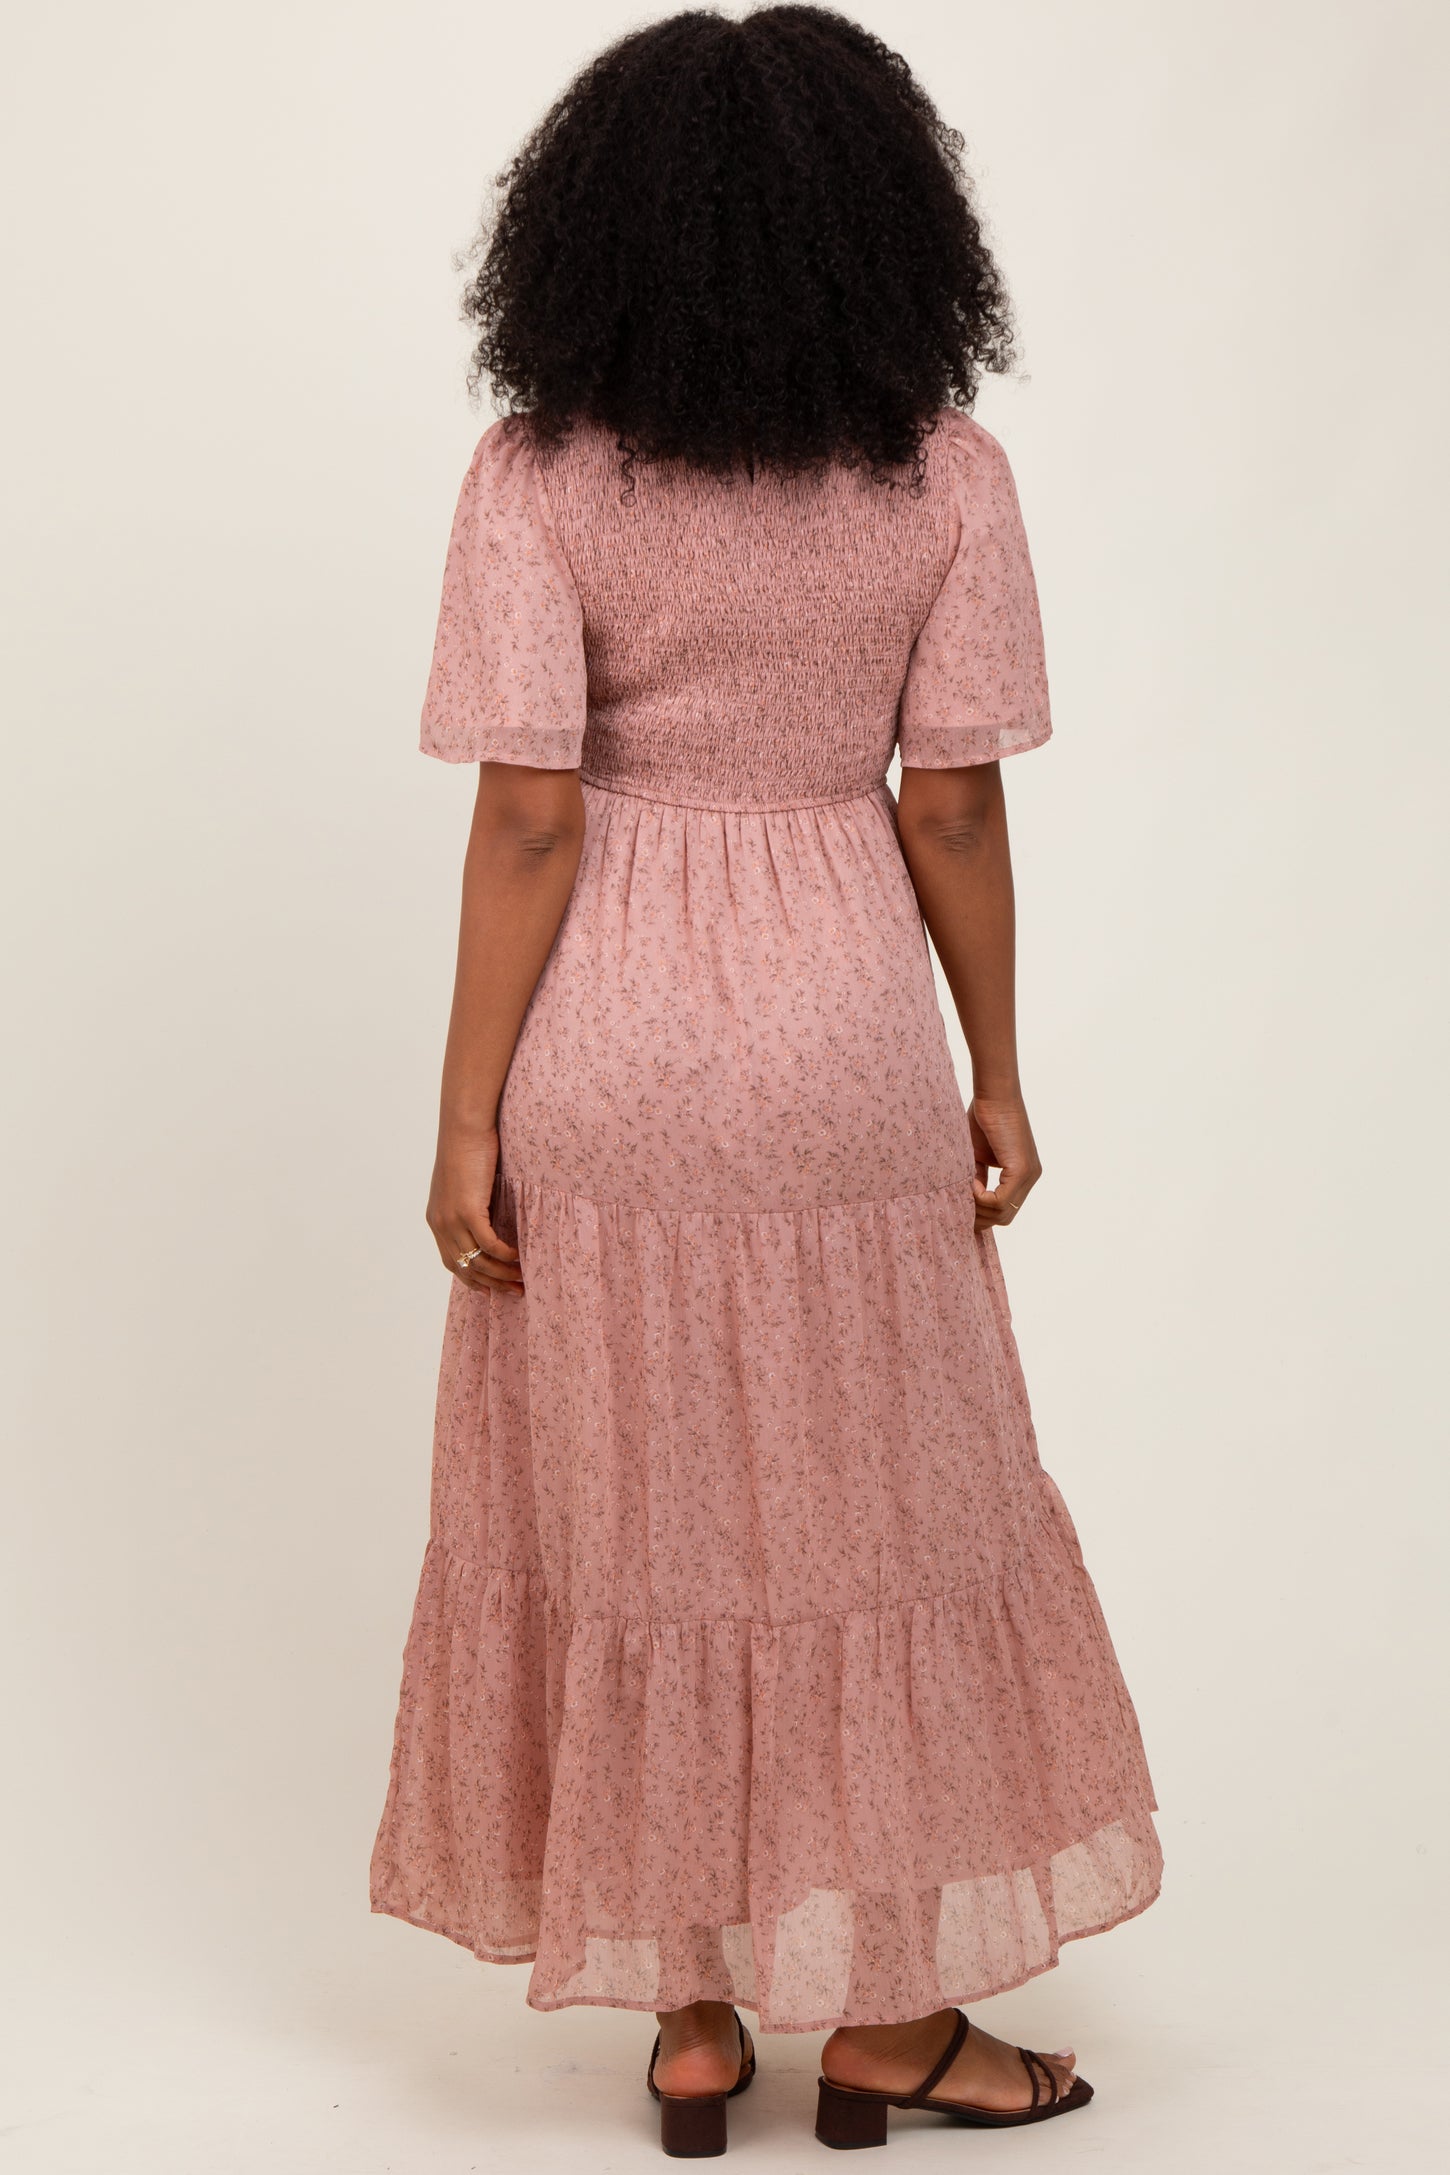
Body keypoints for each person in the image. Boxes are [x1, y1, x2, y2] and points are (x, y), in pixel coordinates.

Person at [371, 5, 1162, 2155]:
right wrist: (995, 1067)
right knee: (874, 1505)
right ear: (884, 230)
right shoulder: (944, 476)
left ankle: (694, 2015)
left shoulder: (535, 475)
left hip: (607, 1049)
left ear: (590, 233)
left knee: (633, 1501)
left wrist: (467, 1114)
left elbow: (528, 816)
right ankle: (889, 2022)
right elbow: (951, 806)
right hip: (841, 1045)